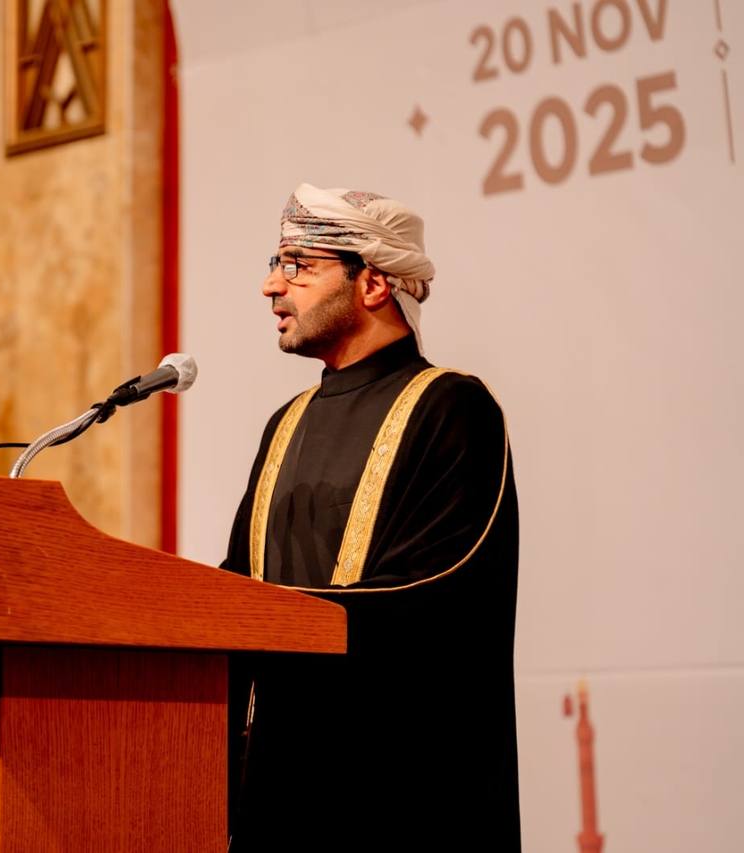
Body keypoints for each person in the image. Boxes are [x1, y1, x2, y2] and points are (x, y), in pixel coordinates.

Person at [222, 185, 521, 851]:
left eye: (299, 265)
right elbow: (234, 587)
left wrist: (260, 615)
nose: (273, 285)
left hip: (405, 796)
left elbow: (434, 601)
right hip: (278, 792)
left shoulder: (453, 408)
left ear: (376, 283)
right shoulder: (287, 423)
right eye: (276, 262)